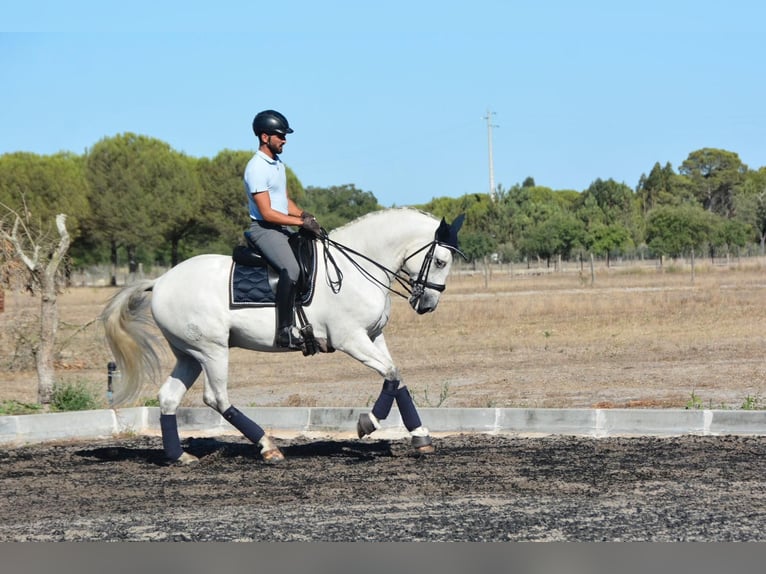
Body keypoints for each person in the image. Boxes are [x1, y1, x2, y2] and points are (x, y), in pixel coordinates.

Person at [244, 109, 322, 349]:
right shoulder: (256, 167)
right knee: (292, 269)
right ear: (265, 137)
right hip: (264, 229)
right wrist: (300, 224)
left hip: (280, 228)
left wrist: (303, 214)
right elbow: (267, 212)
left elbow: (283, 201)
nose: (285, 140)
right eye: (281, 136)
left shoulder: (277, 164)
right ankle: (284, 331)